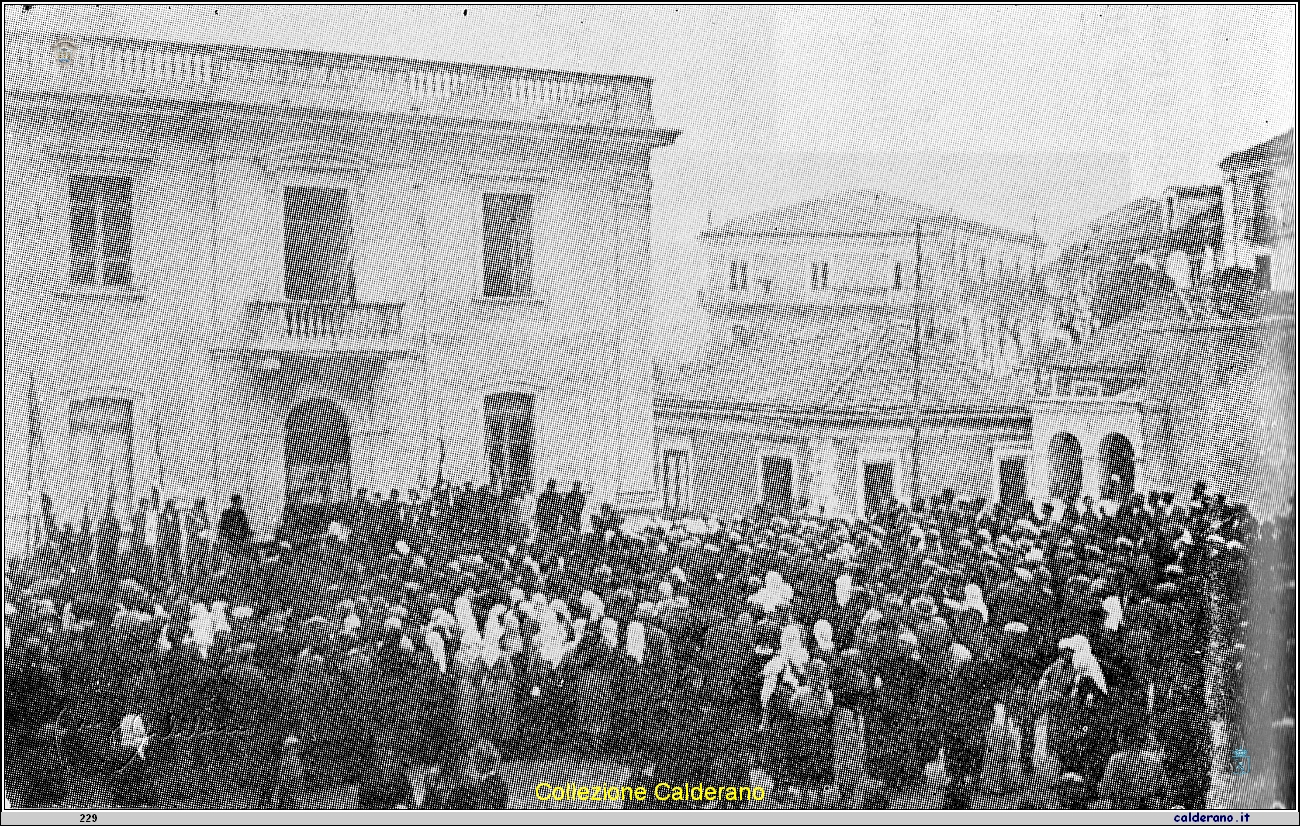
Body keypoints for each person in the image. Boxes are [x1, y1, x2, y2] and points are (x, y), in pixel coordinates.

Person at [446, 739, 509, 810]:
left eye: (473, 759)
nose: (473, 764)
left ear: (482, 761)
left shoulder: (490, 784)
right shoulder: (497, 782)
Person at [218, 494, 252, 560]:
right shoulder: (226, 513)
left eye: (240, 503)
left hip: (240, 540)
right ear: (234, 503)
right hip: (229, 540)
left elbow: (246, 527)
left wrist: (249, 534)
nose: (240, 505)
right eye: (239, 503)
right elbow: (221, 528)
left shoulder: (241, 513)